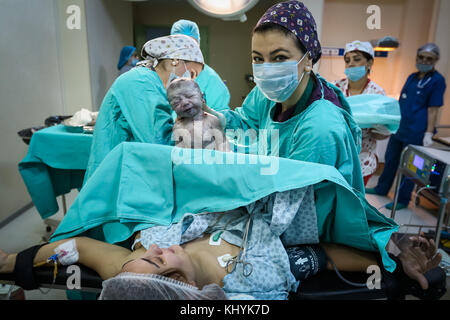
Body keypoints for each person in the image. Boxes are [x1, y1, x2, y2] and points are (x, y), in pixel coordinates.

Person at [0, 198, 443, 300]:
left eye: (144, 260)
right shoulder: (256, 274)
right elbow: (325, 253)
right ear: (193, 291)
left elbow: (77, 245)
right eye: (166, 271)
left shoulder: (129, 274)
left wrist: (10, 263)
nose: (156, 255)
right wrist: (392, 258)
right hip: (283, 202)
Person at [203, 1, 364, 193]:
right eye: (258, 59)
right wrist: (215, 118)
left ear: (308, 60)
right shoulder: (268, 94)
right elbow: (247, 123)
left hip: (312, 214)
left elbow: (294, 202)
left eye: (279, 57)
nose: (267, 69)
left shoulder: (320, 128)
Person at [84, 34, 205, 182]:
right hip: (114, 180)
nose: (190, 81)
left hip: (127, 173)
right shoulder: (141, 82)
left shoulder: (153, 84)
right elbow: (159, 142)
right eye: (192, 74)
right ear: (175, 59)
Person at [366, 43, 447, 210]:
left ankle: (402, 199)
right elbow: (401, 102)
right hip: (400, 128)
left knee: (410, 167)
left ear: (436, 60)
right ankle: (382, 188)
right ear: (416, 57)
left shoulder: (437, 81)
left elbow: (433, 110)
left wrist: (428, 133)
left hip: (417, 131)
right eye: (421, 57)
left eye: (429, 58)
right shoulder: (412, 77)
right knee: (391, 160)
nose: (424, 61)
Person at [333, 40, 389, 186]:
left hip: (362, 161)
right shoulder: (335, 88)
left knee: (353, 201)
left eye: (356, 59)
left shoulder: (377, 94)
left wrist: (381, 130)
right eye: (347, 60)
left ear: (370, 63)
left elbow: (385, 131)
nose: (351, 64)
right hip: (336, 157)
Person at [171, 19, 231, 112]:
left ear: (198, 45)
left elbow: (220, 116)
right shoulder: (162, 74)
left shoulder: (210, 79)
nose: (186, 49)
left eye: (191, 45)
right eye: (181, 43)